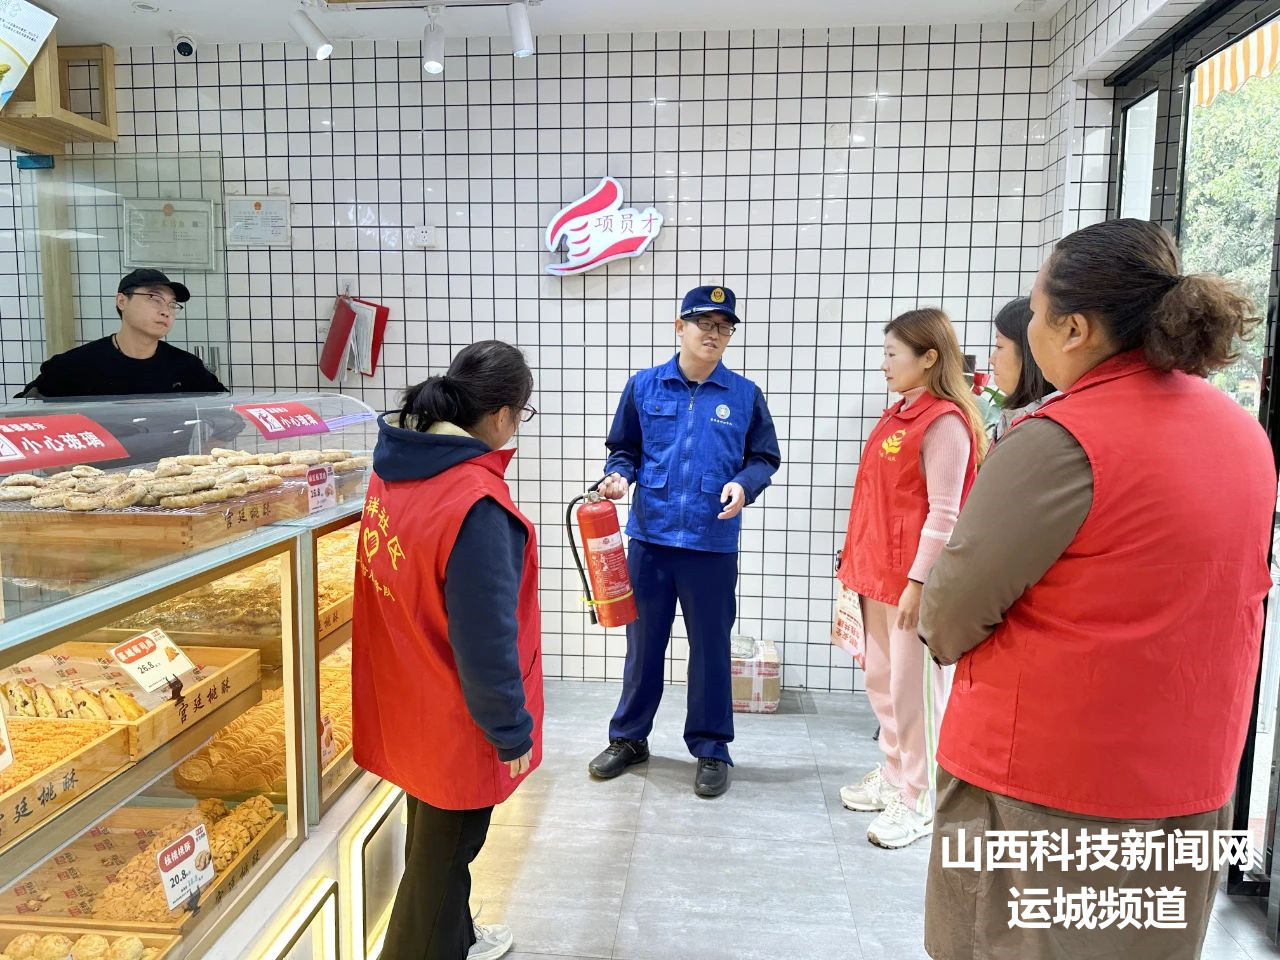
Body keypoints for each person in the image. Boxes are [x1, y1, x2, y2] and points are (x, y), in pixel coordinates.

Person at [919, 219, 1275, 960]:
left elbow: (951, 610)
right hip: (1190, 784)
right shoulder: (1242, 432)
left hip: (1044, 792)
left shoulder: (1058, 441)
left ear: (1074, 328)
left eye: (1035, 308)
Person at [352, 341, 542, 960]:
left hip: (408, 692)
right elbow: (486, 640)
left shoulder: (398, 467)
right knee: (440, 864)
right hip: (457, 716)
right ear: (503, 416)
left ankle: (458, 938)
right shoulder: (476, 504)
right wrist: (510, 730)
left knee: (434, 843)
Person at [587, 285, 781, 798]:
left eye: (724, 327)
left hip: (711, 543)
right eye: (704, 323)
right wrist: (618, 475)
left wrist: (746, 484)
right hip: (650, 540)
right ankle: (629, 738)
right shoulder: (644, 386)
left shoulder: (744, 395)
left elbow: (764, 457)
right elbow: (623, 449)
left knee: (711, 650)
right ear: (680, 327)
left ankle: (712, 747)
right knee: (642, 647)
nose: (714, 334)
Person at [835, 308, 986, 849]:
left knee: (915, 694)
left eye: (892, 354)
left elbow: (945, 514)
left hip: (911, 587)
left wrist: (919, 583)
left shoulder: (944, 422)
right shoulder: (897, 414)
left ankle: (921, 797)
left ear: (929, 358)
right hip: (875, 577)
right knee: (882, 684)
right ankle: (896, 774)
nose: (884, 364)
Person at [19, 268, 227, 397]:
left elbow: (226, 411)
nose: (166, 311)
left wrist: (212, 448)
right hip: (99, 458)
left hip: (172, 459)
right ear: (122, 301)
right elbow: (25, 411)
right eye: (154, 298)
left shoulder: (186, 366)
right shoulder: (74, 365)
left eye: (172, 304)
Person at [988, 296, 1053, 440]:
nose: (991, 359)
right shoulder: (1019, 415)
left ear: (1029, 351)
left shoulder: (1045, 427)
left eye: (999, 346)